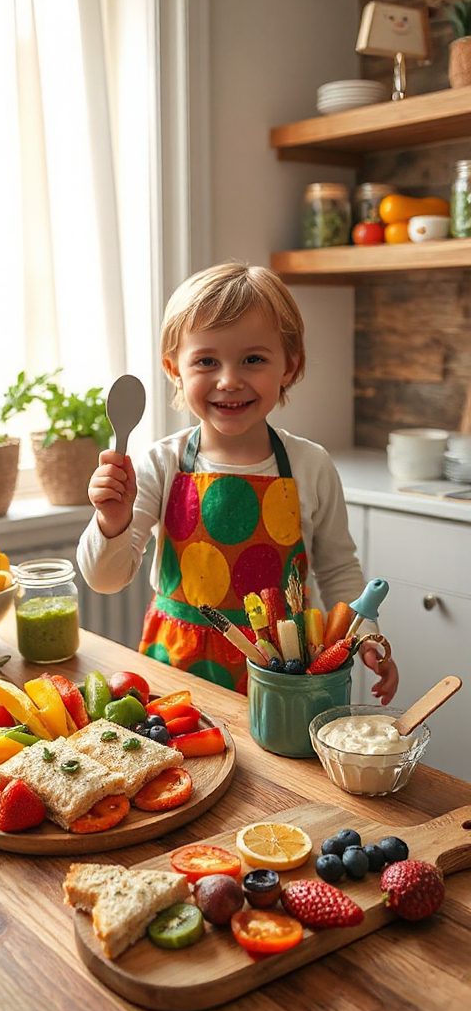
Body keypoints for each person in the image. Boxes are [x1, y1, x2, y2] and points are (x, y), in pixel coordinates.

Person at [78, 262, 398, 703]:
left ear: (290, 365)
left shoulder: (311, 464)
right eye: (207, 360)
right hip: (176, 672)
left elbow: (339, 569)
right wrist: (111, 521)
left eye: (253, 359)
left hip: (284, 673)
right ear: (175, 369)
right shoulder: (160, 463)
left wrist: (365, 636)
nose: (229, 380)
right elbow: (105, 580)